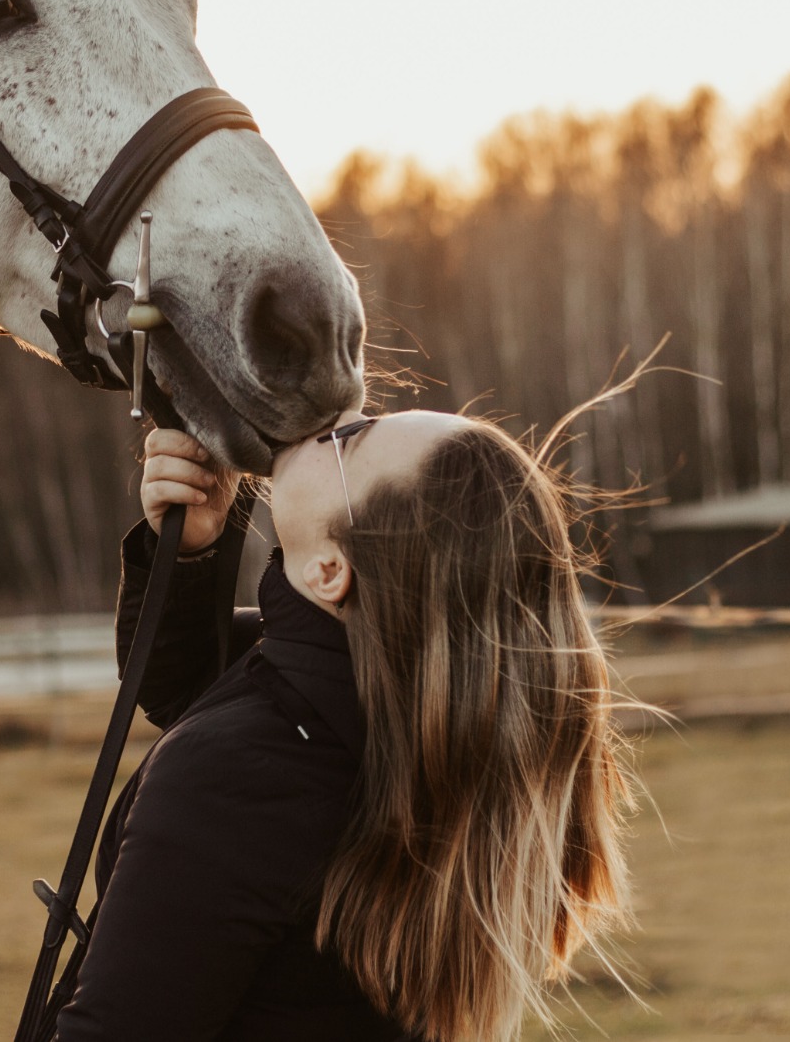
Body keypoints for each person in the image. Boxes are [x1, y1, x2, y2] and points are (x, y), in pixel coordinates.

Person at [56, 410, 633, 1042]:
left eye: (349, 438)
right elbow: (199, 690)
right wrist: (195, 548)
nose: (335, 414)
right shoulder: (401, 713)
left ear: (330, 572)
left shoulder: (237, 780)